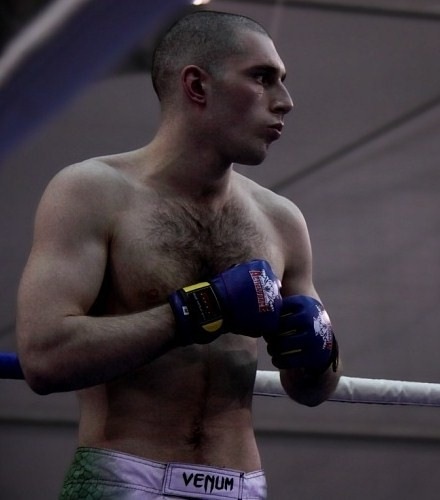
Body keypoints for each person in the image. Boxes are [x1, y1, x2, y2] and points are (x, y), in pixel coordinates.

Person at [16, 10, 340, 500]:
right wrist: (202, 308)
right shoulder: (92, 192)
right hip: (126, 478)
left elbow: (313, 390)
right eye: (261, 77)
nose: (285, 101)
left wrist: (318, 349)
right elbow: (44, 358)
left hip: (241, 486)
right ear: (197, 85)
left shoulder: (281, 219)